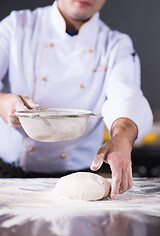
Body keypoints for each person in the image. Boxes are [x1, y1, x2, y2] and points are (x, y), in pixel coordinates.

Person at [0, 0, 153, 199]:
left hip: (81, 177)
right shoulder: (16, 26)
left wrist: (122, 139)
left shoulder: (115, 44)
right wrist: (2, 102)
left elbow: (125, 95)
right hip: (10, 177)